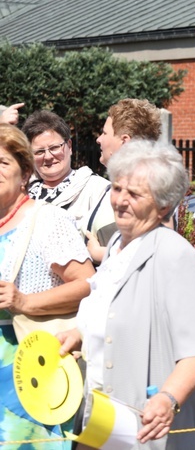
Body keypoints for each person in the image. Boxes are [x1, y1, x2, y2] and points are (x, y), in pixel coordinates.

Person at [58, 139, 195, 449]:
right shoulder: (116, 246)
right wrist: (79, 333)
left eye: (134, 194)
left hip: (155, 427)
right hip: (108, 420)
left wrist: (168, 399)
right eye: (116, 188)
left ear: (163, 205)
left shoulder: (176, 256)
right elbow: (111, 308)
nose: (120, 201)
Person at [0, 124, 95, 448]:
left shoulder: (47, 220)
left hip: (32, 366)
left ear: (25, 173)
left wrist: (24, 302)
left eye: (2, 162)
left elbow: (88, 284)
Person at [21, 110, 115, 257]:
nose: (48, 156)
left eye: (54, 148)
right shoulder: (22, 192)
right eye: (39, 152)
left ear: (69, 146)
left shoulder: (98, 190)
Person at [87, 98, 163, 262]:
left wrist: (98, 253)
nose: (99, 139)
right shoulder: (120, 185)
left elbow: (151, 251)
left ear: (125, 141)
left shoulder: (148, 188)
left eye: (105, 133)